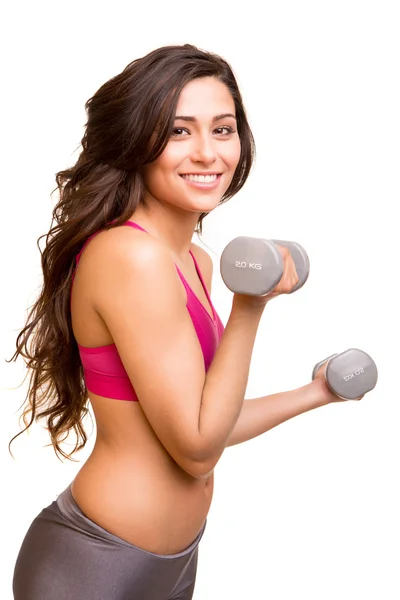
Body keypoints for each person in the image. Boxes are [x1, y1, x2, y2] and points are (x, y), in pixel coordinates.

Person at [9, 43, 345, 600]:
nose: (209, 153)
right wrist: (249, 306)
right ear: (138, 142)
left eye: (224, 128)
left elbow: (204, 420)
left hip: (173, 561)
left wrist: (317, 392)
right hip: (94, 565)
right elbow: (195, 447)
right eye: (179, 132)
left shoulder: (194, 260)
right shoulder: (129, 257)